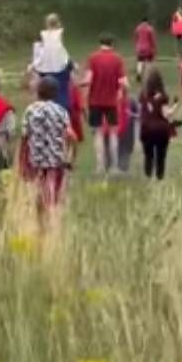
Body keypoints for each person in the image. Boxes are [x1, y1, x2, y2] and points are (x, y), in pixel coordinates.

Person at [21, 76, 78, 232]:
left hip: (35, 161)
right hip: (55, 162)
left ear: (39, 91)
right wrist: (72, 157)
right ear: (55, 93)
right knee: (52, 198)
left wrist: (22, 162)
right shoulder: (61, 112)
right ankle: (53, 229)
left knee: (36, 197)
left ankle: (39, 227)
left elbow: (24, 139)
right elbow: (72, 137)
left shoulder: (30, 110)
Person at [79, 36, 126, 175]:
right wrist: (122, 91)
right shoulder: (117, 59)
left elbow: (88, 79)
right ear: (112, 44)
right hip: (111, 102)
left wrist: (79, 84)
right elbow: (123, 81)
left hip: (95, 102)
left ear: (100, 44)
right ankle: (114, 167)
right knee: (113, 133)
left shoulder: (92, 58)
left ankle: (99, 167)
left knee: (98, 134)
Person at [28, 14, 74, 115]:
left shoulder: (42, 34)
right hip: (59, 65)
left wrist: (35, 64)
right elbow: (60, 49)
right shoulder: (60, 32)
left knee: (46, 88)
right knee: (61, 89)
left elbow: (39, 50)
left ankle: (45, 111)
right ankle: (62, 110)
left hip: (45, 66)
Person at [137, 70, 177, 180]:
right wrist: (175, 106)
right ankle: (160, 177)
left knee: (148, 155)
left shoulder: (143, 95)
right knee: (161, 156)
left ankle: (148, 175)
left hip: (146, 129)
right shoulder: (163, 96)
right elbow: (166, 114)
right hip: (161, 129)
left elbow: (141, 111)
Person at [133, 17, 157, 81]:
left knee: (140, 61)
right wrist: (154, 47)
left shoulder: (137, 28)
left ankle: (139, 73)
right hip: (148, 48)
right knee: (149, 62)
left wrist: (136, 45)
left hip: (139, 48)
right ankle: (148, 75)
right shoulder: (150, 29)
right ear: (147, 21)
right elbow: (152, 39)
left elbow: (135, 38)